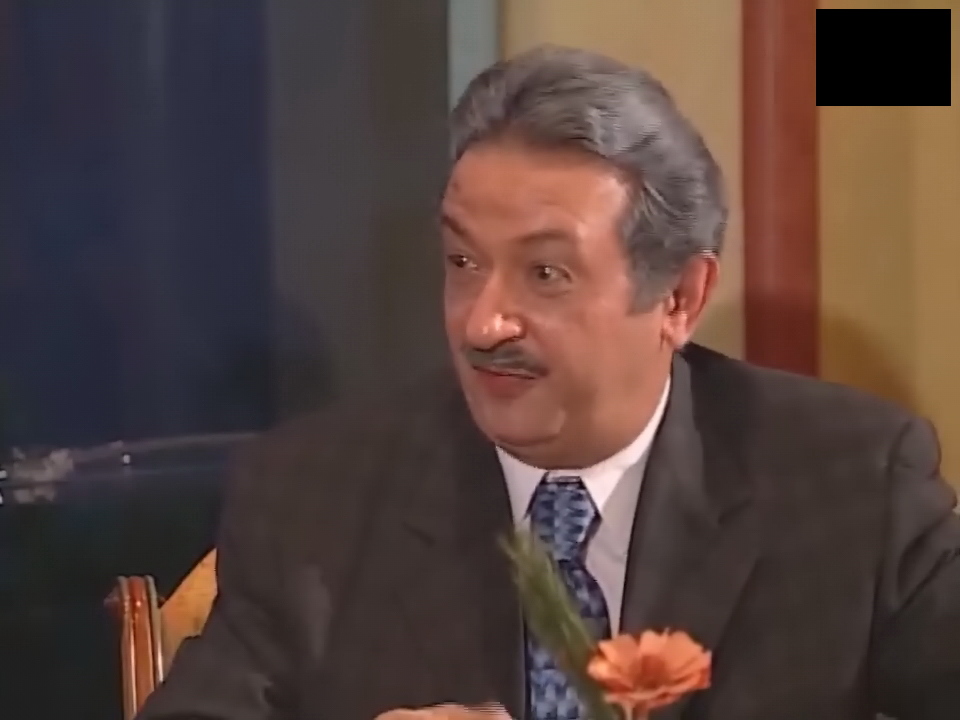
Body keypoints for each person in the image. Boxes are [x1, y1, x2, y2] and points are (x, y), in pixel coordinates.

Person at [137, 46, 960, 720]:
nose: (482, 323)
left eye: (545, 274)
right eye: (463, 261)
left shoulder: (849, 484)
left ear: (679, 298)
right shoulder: (315, 498)